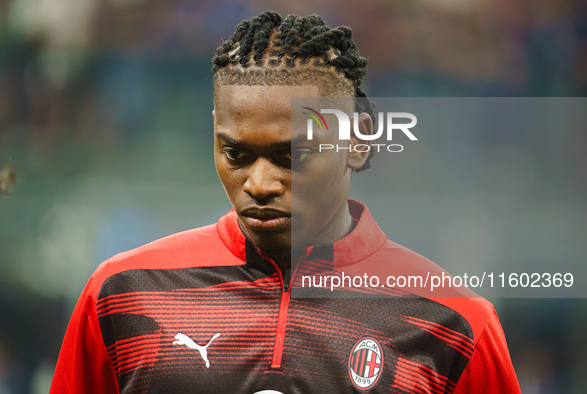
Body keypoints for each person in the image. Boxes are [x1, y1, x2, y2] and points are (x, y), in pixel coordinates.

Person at [50, 11, 520, 393]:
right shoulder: (121, 293)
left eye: (292, 155)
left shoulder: (454, 322)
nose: (258, 182)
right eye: (236, 153)